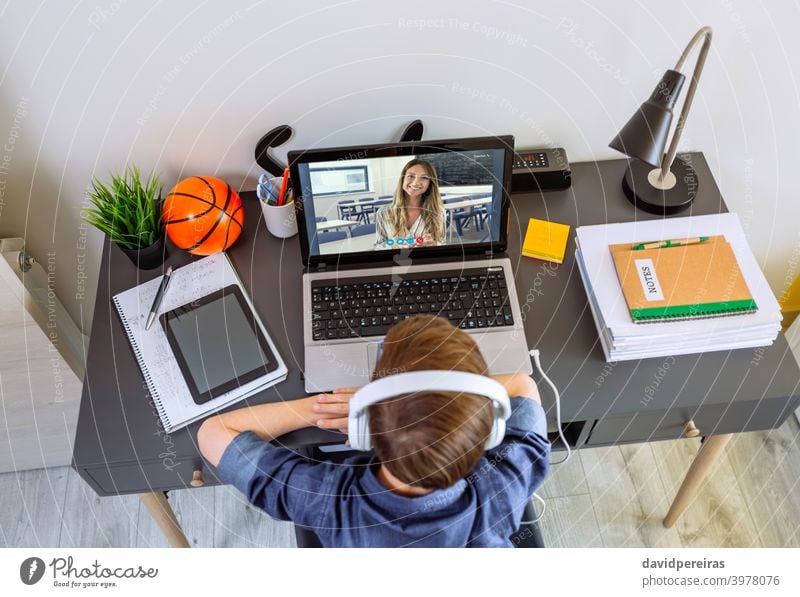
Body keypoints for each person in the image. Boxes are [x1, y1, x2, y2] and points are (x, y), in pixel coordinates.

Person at [198, 314, 550, 547]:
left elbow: (213, 432)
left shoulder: (327, 503)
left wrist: (320, 407)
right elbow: (522, 385)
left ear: (365, 429)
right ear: (489, 432)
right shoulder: (502, 485)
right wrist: (459, 396)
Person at [374, 159, 446, 248]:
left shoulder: (438, 212)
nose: (415, 183)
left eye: (424, 177)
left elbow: (442, 242)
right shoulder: (383, 213)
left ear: (430, 183)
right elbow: (378, 245)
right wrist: (394, 247)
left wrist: (435, 244)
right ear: (403, 179)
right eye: (411, 176)